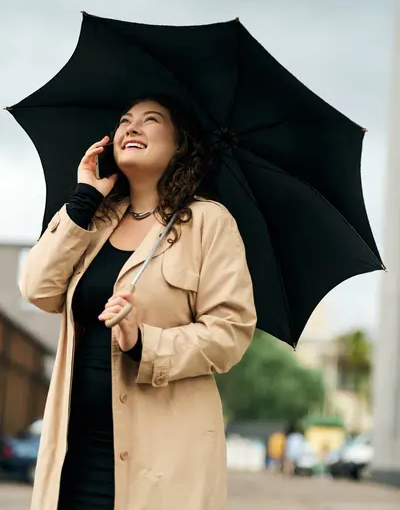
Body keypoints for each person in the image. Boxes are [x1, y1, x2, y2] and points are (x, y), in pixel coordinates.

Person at [20, 96, 257, 510]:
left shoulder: (209, 222)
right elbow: (37, 288)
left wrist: (142, 342)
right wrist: (82, 200)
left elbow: (230, 332)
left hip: (163, 461)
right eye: (126, 121)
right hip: (74, 453)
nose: (132, 128)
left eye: (151, 120)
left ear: (180, 143)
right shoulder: (95, 219)